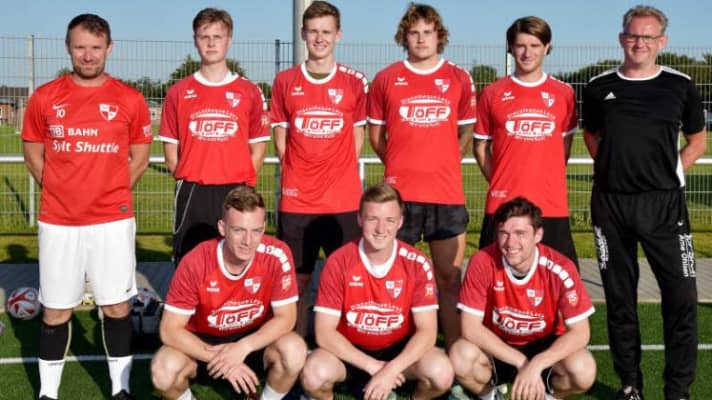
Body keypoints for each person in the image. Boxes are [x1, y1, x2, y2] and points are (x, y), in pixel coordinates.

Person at [21, 13, 152, 400]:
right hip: (59, 222)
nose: (88, 55)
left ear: (109, 48)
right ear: (68, 48)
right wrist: (62, 191)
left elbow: (140, 158)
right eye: (80, 47)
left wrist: (108, 193)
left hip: (112, 221)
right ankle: (48, 393)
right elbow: (32, 153)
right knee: (55, 311)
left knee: (116, 308)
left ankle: (120, 390)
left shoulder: (130, 99)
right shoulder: (45, 97)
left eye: (96, 47)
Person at [582, 5, 706, 400]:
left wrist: (671, 172)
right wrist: (614, 169)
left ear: (661, 42)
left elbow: (697, 140)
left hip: (664, 206)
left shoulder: (680, 85)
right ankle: (630, 384)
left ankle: (678, 389)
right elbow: (592, 137)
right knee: (620, 299)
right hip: (611, 206)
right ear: (622, 39)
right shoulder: (598, 87)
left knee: (682, 296)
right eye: (633, 35)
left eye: (648, 37)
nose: (640, 43)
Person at [367, 2, 477, 348]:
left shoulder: (458, 78)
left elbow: (467, 128)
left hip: (446, 195)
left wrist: (449, 157)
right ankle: (395, 353)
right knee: (397, 279)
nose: (421, 39)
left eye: (427, 32)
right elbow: (375, 136)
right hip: (400, 197)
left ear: (439, 36)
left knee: (449, 278)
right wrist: (399, 164)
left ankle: (456, 354)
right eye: (414, 33)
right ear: (404, 37)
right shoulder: (386, 78)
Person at [151, 186, 307, 400]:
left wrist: (243, 347)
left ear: (264, 228)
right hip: (202, 345)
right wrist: (223, 358)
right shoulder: (196, 262)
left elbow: (287, 318)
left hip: (252, 341)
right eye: (238, 230)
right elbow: (169, 330)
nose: (248, 241)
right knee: (163, 370)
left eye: (256, 231)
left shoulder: (277, 254)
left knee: (294, 350)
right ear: (222, 228)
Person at [300, 183, 453, 400]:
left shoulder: (417, 263)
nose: (381, 229)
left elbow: (427, 332)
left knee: (441, 373)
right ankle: (356, 383)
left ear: (400, 222)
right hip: (349, 353)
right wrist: (372, 366)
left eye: (390, 220)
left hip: (399, 352)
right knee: (314, 375)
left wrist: (390, 370)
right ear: (359, 219)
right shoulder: (338, 261)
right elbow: (324, 332)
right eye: (372, 219)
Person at [270, 0, 367, 338]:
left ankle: (347, 351)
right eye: (313, 31)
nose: (319, 38)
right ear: (303, 34)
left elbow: (357, 137)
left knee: (347, 279)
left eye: (326, 31)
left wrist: (336, 172)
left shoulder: (355, 82)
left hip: (343, 201)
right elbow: (281, 139)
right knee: (297, 281)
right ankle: (293, 352)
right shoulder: (285, 81)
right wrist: (301, 172)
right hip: (297, 201)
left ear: (338, 35)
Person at [450, 197, 596, 400]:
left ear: (538, 235)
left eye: (520, 233)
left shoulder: (561, 268)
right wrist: (522, 362)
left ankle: (546, 397)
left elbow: (581, 333)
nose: (510, 243)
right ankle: (490, 396)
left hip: (544, 346)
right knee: (459, 356)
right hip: (498, 345)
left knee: (583, 369)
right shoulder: (482, 262)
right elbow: (470, 328)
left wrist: (537, 363)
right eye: (504, 233)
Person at [158, 7, 270, 267]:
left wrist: (241, 185)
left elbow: (258, 150)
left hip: (237, 188)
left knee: (238, 260)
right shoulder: (178, 92)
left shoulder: (249, 91)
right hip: (194, 191)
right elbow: (171, 153)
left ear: (229, 40)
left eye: (217, 37)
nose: (211, 43)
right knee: (190, 263)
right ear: (195, 40)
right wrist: (190, 176)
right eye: (204, 36)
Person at [474, 16, 578, 267]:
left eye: (534, 46)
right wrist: (501, 179)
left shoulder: (564, 94)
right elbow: (481, 147)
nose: (527, 53)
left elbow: (564, 146)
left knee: (559, 277)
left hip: (551, 204)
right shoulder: (492, 93)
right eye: (520, 45)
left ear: (547, 47)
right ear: (511, 47)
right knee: (495, 276)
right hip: (503, 204)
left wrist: (546, 177)